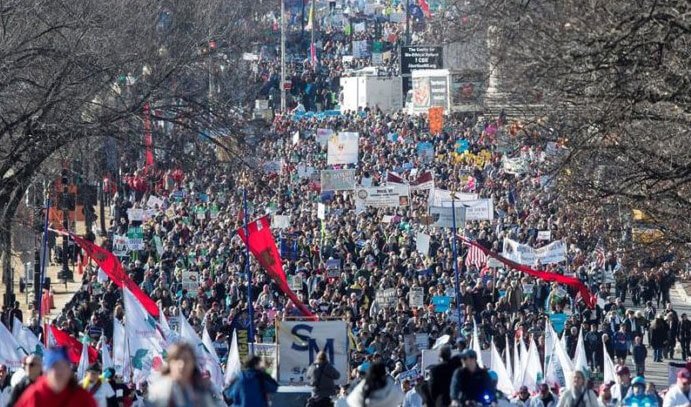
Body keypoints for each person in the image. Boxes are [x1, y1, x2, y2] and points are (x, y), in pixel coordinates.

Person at [14, 347, 97, 407]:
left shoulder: (81, 397)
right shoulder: (34, 395)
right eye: (55, 366)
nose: (60, 371)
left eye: (64, 366)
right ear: (47, 371)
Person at [147, 342, 217, 406]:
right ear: (169, 363)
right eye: (176, 359)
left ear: (192, 364)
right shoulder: (158, 392)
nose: (181, 365)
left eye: (186, 360)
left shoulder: (202, 390)